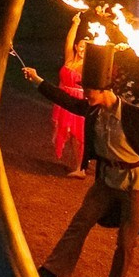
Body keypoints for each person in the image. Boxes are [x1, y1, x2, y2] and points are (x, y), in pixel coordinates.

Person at [23, 49, 139, 277]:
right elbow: (66, 101)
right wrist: (38, 81)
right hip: (106, 181)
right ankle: (53, 270)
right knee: (80, 221)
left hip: (136, 184)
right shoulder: (93, 109)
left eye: (90, 91)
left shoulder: (137, 115)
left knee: (126, 240)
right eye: (85, 90)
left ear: (105, 89)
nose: (86, 95)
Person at [51, 11, 92, 171]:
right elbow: (68, 41)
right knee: (66, 131)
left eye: (86, 47)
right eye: (81, 46)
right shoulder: (69, 58)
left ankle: (80, 168)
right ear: (77, 46)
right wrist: (75, 23)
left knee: (78, 136)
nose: (83, 49)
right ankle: (78, 165)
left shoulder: (88, 64)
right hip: (63, 99)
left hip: (78, 101)